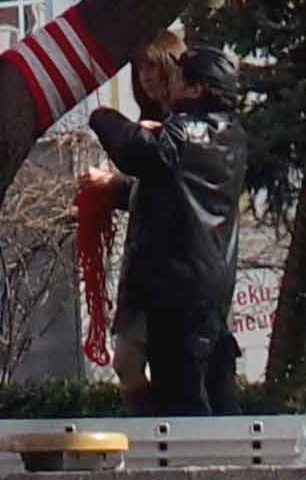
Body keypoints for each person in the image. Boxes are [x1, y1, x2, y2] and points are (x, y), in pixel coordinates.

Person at [86, 32, 247, 417]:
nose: (152, 78)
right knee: (206, 387)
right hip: (203, 282)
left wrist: (101, 117)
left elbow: (142, 156)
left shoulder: (182, 130)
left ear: (195, 87)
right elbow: (173, 187)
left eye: (167, 72)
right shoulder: (233, 134)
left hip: (174, 284)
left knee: (184, 393)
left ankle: (172, 459)